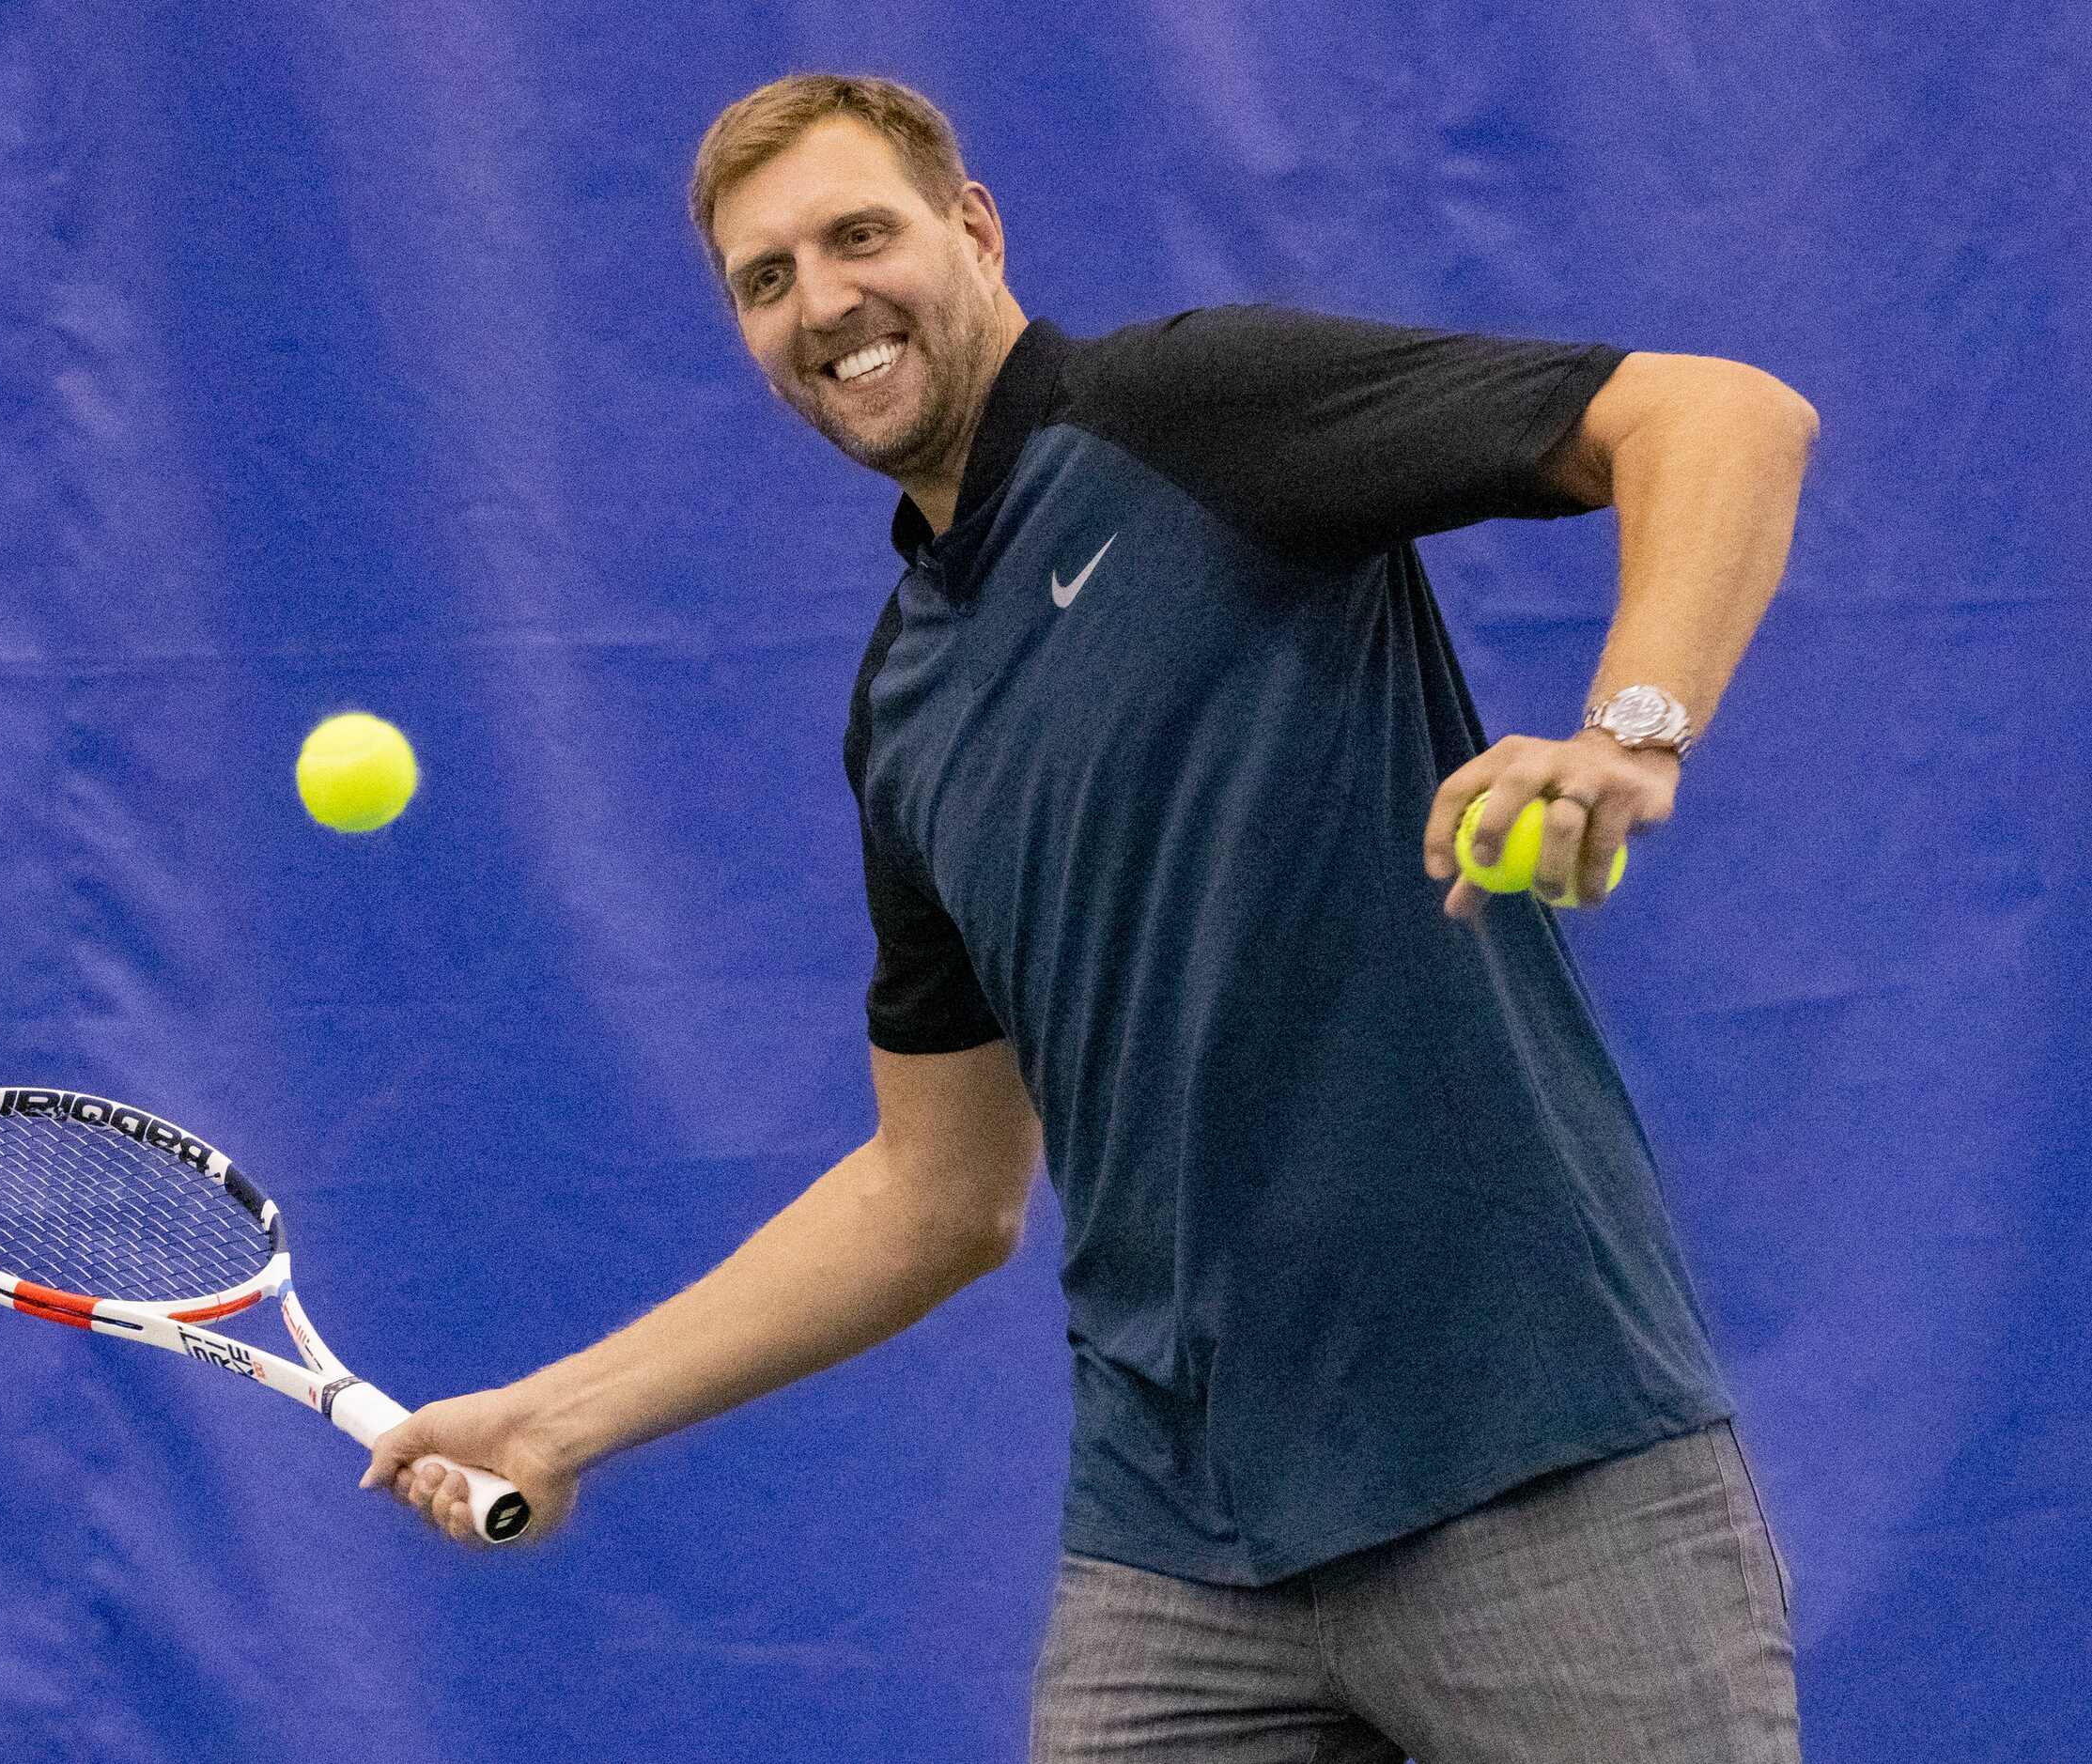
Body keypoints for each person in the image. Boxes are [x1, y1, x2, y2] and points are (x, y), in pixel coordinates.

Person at [365, 72, 1816, 1762]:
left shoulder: (1188, 409)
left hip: (1532, 1456)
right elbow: (938, 1193)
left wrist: (1627, 730)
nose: (822, 303)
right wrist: (561, 1414)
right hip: (1178, 1548)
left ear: (972, 230)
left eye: (858, 237)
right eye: (764, 281)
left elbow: (1718, 416)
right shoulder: (902, 711)